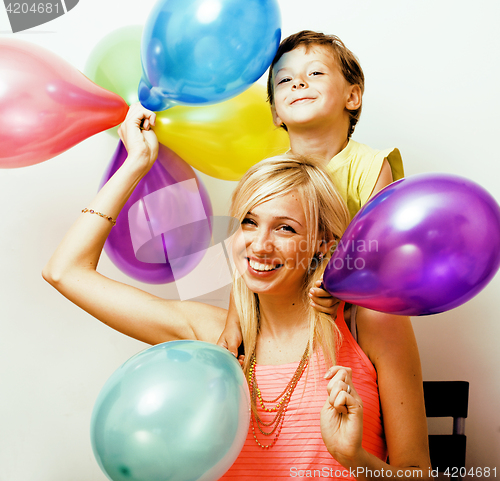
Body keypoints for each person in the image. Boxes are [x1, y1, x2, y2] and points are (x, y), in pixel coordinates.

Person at [43, 105, 430, 480]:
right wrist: (136, 163)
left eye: (285, 229)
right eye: (249, 222)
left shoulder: (370, 325)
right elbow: (65, 271)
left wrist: (354, 457)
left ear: (323, 245)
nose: (259, 245)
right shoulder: (216, 340)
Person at [218, 30, 404, 357]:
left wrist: (340, 290)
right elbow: (246, 257)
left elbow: (378, 258)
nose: (298, 84)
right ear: (276, 113)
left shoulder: (372, 166)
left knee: (378, 318)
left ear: (352, 96)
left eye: (315, 73)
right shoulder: (270, 175)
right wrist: (235, 321)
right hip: (280, 308)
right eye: (284, 80)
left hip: (347, 310)